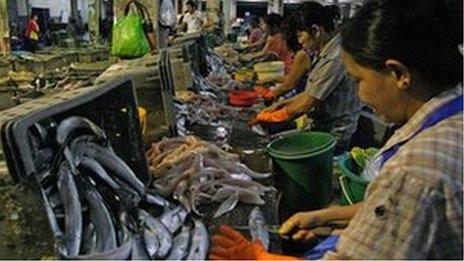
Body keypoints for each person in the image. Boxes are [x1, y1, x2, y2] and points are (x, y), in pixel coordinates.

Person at [210, 0, 463, 259]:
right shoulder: (453, 118)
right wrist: (324, 216)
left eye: (358, 80)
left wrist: (260, 258)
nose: (359, 96)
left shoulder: (414, 171)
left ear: (399, 74)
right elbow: (403, 209)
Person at [251, 2, 361, 154]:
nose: (300, 41)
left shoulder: (335, 57)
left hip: (334, 133)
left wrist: (272, 117)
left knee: (276, 150)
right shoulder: (324, 52)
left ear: (315, 30)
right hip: (320, 125)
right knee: (274, 141)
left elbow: (307, 103)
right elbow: (311, 92)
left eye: (300, 35)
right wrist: (282, 103)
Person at [254, 13, 317, 100]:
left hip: (300, 94)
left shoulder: (302, 54)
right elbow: (292, 77)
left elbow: (290, 84)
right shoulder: (301, 52)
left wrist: (269, 94)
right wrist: (270, 79)